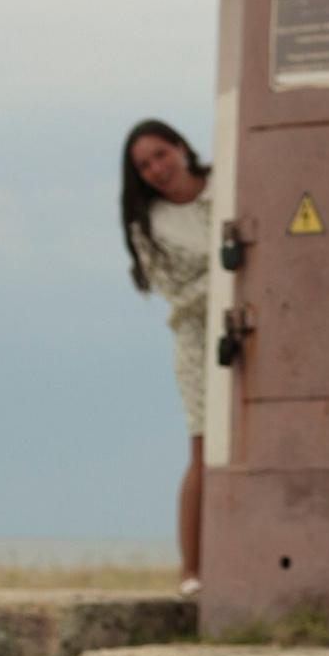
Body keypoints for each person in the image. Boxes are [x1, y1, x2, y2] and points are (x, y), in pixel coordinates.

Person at [122, 121, 213, 589]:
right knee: (201, 447)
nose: (157, 168)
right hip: (198, 337)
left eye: (160, 154)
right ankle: (191, 571)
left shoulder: (226, 185)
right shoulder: (149, 226)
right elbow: (173, 293)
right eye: (144, 165)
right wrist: (228, 278)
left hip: (263, 325)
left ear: (180, 146)